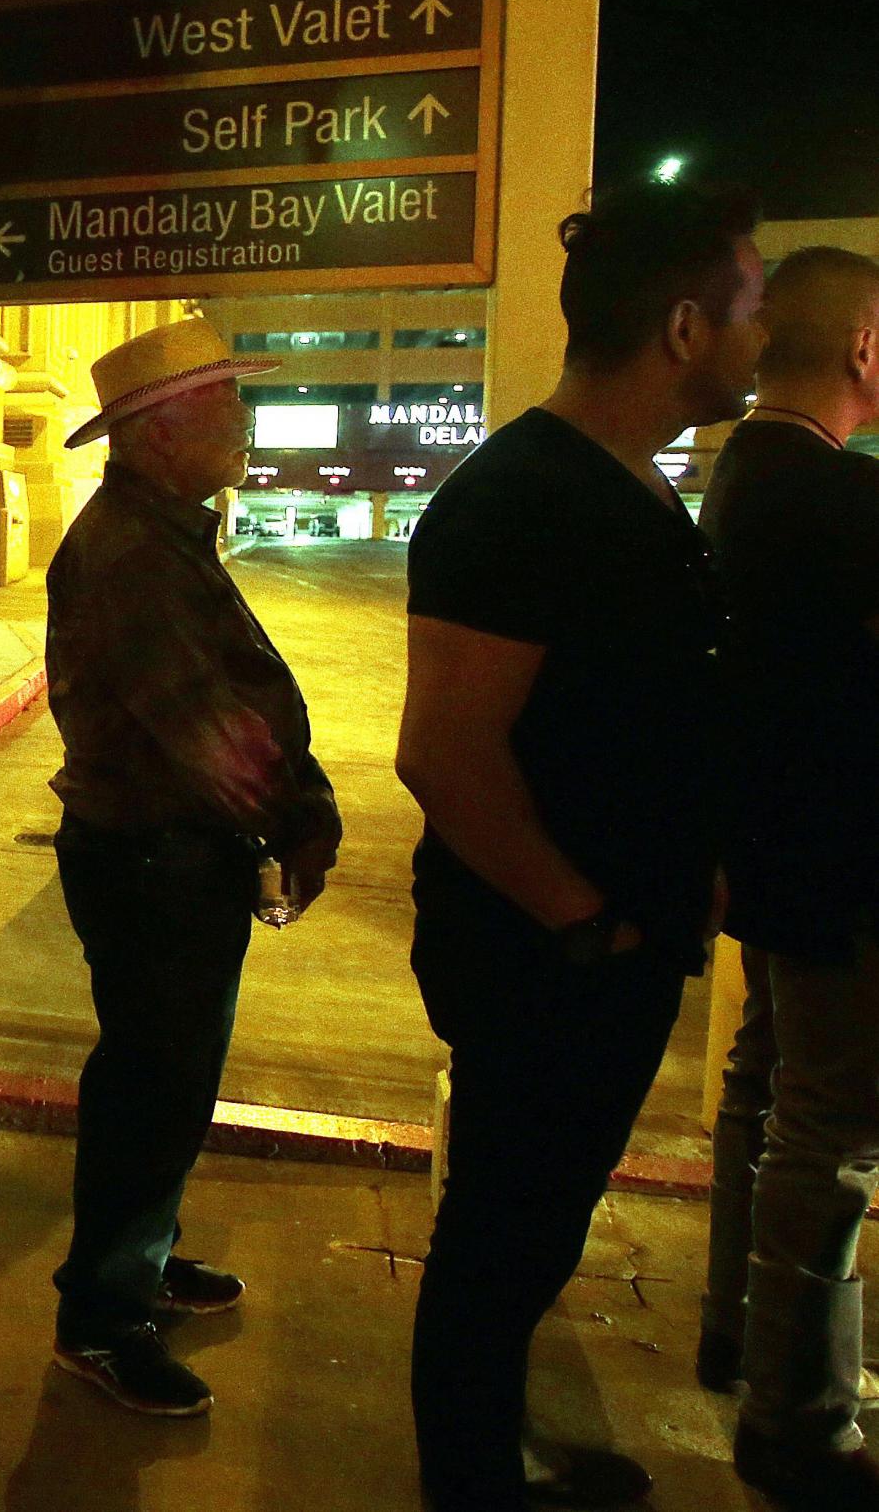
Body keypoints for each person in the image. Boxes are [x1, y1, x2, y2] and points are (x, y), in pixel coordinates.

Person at [397, 178, 765, 1512]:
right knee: (499, 1244)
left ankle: (491, 1468)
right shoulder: (524, 499)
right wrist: (585, 920)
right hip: (549, 959)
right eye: (751, 297)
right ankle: (473, 1488)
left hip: (599, 949)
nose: (761, 328)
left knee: (527, 1238)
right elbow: (444, 753)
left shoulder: (623, 490)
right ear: (682, 326)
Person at [42, 314, 340, 1418]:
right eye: (223, 405)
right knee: (151, 1085)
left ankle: (139, 1255)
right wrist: (299, 819)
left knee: (166, 1081)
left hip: (171, 858)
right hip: (153, 861)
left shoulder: (160, 529)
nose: (242, 422)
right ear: (161, 430)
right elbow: (203, 725)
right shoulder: (130, 551)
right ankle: (103, 1314)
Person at [698, 244, 879, 1510]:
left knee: (766, 1096)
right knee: (833, 1126)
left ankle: (737, 1337)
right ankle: (797, 1418)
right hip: (844, 860)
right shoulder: (838, 500)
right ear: (862, 346)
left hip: (768, 846)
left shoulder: (739, 477)